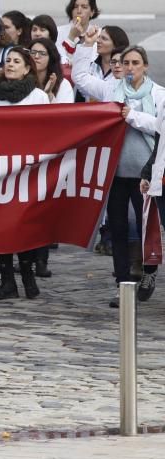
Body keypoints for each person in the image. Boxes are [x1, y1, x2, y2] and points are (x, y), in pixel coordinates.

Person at [73, 36, 162, 307]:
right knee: (119, 228)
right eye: (126, 62)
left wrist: (132, 116)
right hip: (117, 172)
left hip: (146, 175)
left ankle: (148, 273)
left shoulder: (158, 94)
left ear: (145, 66)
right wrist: (86, 45)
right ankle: (122, 283)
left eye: (136, 62)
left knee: (147, 228)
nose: (130, 67)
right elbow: (80, 78)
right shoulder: (113, 90)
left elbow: (160, 127)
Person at [0, 47, 50, 300]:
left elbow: (47, 132)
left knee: (25, 225)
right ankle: (7, 279)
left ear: (27, 68)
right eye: (7, 60)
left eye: (16, 61)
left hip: (27, 170)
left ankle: (28, 274)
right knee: (1, 225)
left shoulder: (38, 97)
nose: (10, 65)